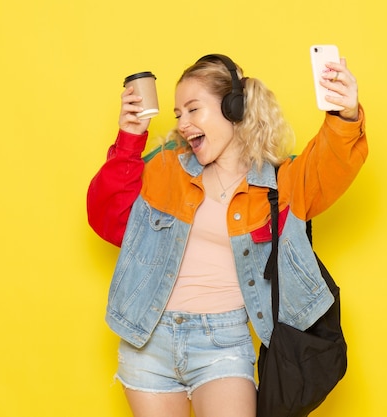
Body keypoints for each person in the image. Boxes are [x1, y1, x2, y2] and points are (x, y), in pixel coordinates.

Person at [87, 53, 368, 417]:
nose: (183, 124)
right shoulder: (167, 168)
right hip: (148, 341)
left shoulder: (279, 185)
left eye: (193, 109)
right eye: (177, 114)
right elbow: (108, 216)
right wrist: (130, 139)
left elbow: (331, 162)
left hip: (223, 343)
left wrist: (345, 114)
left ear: (233, 109)